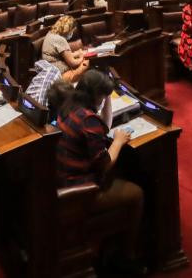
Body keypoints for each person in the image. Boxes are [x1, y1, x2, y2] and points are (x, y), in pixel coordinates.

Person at [53, 69, 145, 274]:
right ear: (95, 96)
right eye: (103, 97)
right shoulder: (88, 120)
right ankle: (126, 256)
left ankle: (113, 245)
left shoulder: (68, 105)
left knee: (123, 175)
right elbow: (105, 164)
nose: (104, 101)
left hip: (62, 179)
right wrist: (119, 141)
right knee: (137, 193)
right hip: (80, 191)